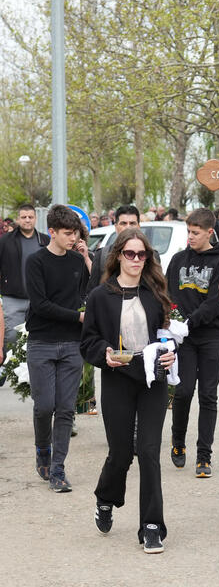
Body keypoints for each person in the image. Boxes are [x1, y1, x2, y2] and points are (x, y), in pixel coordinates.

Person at [80, 228, 176, 554]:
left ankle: (152, 526)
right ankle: (105, 498)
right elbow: (88, 341)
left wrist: (170, 351)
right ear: (118, 256)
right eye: (130, 253)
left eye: (141, 254)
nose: (136, 259)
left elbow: (167, 333)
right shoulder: (100, 296)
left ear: (147, 258)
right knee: (121, 452)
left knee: (148, 451)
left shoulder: (156, 293)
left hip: (152, 377)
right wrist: (104, 353)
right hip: (117, 376)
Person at [25, 205, 87, 493]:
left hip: (72, 344)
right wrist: (78, 317)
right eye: (67, 233)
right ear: (52, 232)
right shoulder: (36, 262)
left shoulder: (77, 261)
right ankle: (42, 448)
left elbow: (86, 294)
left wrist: (87, 260)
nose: (73, 238)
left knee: (65, 409)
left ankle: (58, 470)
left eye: (76, 233)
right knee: (44, 407)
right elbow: (40, 305)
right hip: (41, 342)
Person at [166, 209, 219, 477]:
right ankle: (178, 441)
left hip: (211, 334)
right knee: (183, 391)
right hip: (184, 337)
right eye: (188, 232)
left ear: (209, 232)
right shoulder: (178, 260)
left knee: (208, 394)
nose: (190, 237)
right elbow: (168, 293)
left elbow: (217, 300)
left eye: (196, 232)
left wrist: (190, 322)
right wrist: (172, 320)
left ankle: (204, 456)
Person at [0, 204, 50, 350]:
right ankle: (9, 365)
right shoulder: (5, 241)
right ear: (18, 219)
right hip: (12, 299)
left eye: (30, 217)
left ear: (36, 219)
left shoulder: (45, 241)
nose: (27, 220)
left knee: (40, 340)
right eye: (23, 217)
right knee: (12, 338)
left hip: (40, 300)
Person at [87, 205, 140, 293]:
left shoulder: (150, 255)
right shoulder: (102, 255)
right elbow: (92, 293)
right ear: (116, 227)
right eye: (123, 223)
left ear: (138, 226)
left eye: (132, 223)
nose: (128, 227)